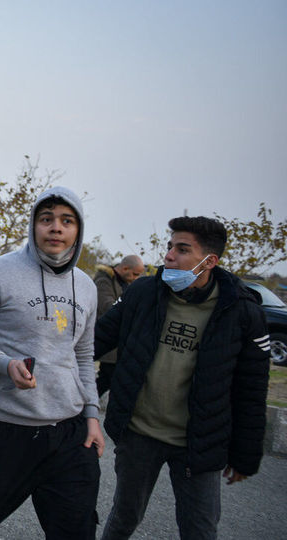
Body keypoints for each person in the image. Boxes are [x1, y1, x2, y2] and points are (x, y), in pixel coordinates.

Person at [0, 187, 103, 539]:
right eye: (46, 219)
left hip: (69, 432)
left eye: (66, 221)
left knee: (77, 531)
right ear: (33, 225)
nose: (55, 228)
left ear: (78, 230)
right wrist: (4, 364)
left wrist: (91, 415)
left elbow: (84, 356)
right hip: (2, 431)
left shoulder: (86, 287)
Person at [95, 216, 270, 540]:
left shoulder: (242, 312)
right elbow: (95, 340)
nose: (169, 255)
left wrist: (245, 454)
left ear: (210, 260)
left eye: (182, 249)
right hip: (138, 435)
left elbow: (251, 388)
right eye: (170, 246)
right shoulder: (143, 293)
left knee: (200, 530)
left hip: (198, 444)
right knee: (123, 518)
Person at [93, 254, 145, 398]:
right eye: (135, 274)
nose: (136, 278)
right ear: (125, 268)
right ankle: (86, 403)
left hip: (118, 342)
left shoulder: (125, 283)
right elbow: (107, 307)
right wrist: (128, 309)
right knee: (107, 377)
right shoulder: (103, 280)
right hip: (105, 338)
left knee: (108, 378)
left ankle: (87, 403)